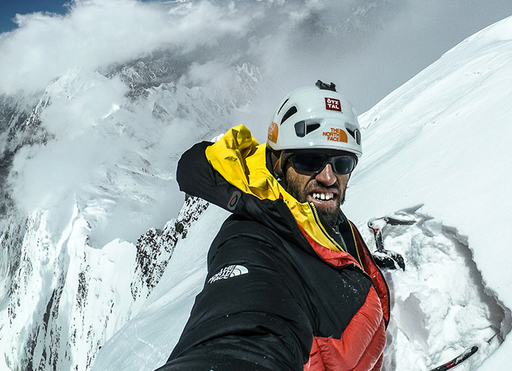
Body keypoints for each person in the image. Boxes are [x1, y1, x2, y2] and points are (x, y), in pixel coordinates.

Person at [157, 81, 390, 371]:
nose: (329, 177)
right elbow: (242, 333)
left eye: (342, 163)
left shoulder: (324, 222)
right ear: (278, 163)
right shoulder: (250, 241)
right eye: (309, 161)